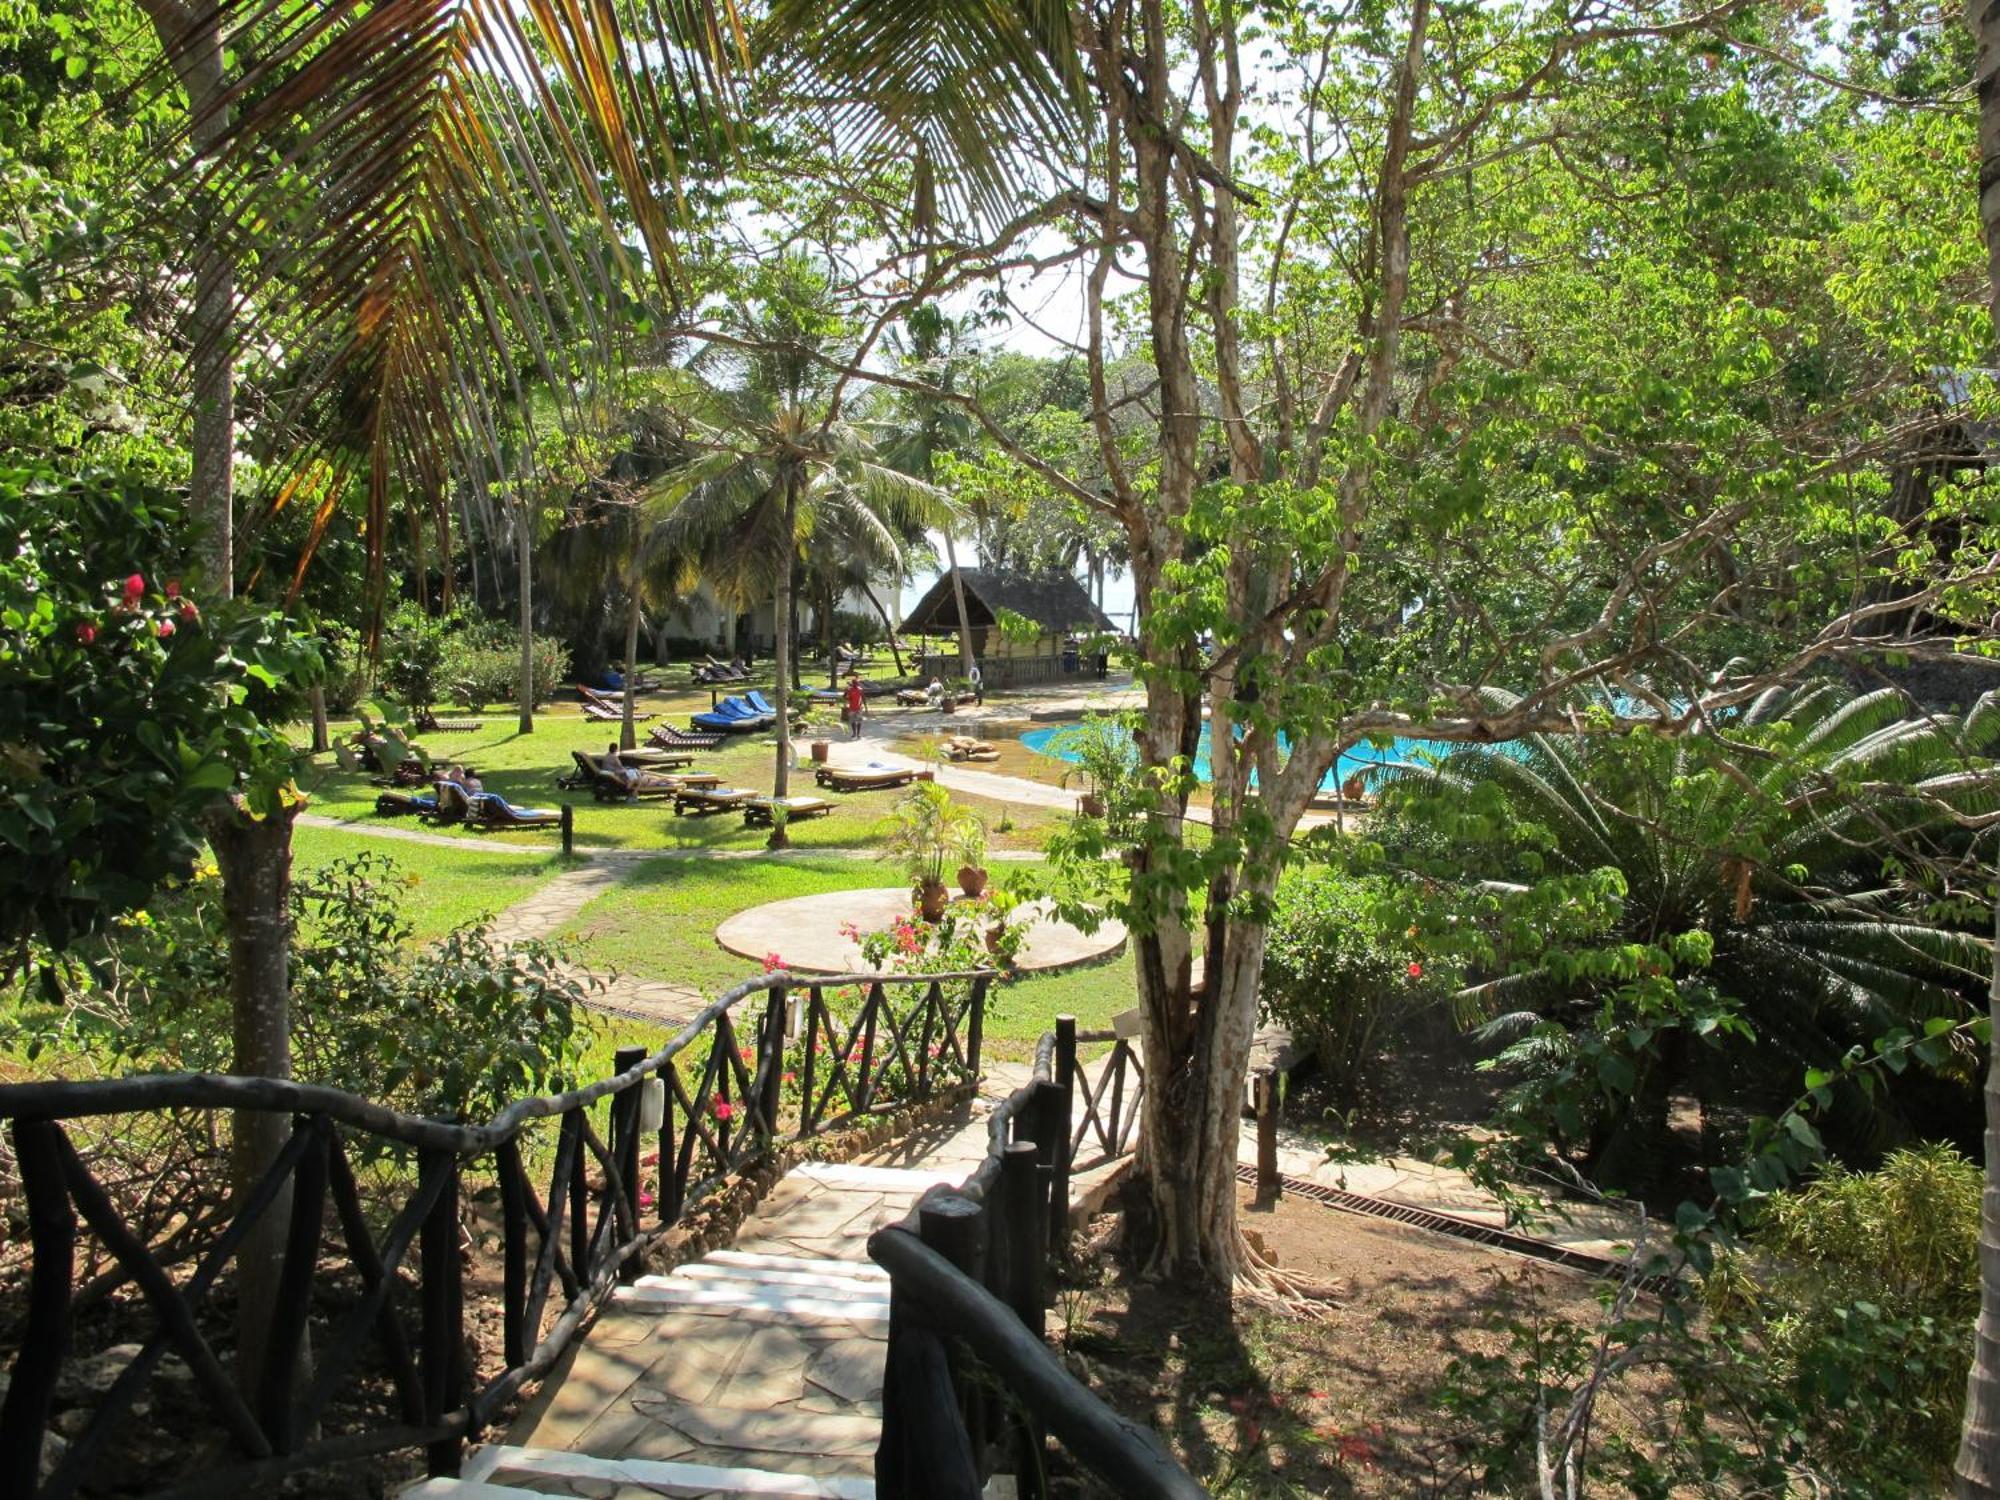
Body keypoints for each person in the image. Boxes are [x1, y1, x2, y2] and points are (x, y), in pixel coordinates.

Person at [845, 673, 866, 739]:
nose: (855, 684)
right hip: (852, 708)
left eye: (856, 683)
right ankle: (854, 733)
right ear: (852, 684)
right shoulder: (849, 690)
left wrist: (865, 706)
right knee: (853, 721)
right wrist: (848, 698)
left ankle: (858, 734)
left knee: (858, 721)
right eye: (854, 683)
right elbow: (845, 697)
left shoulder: (860, 690)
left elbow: (863, 698)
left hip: (858, 708)